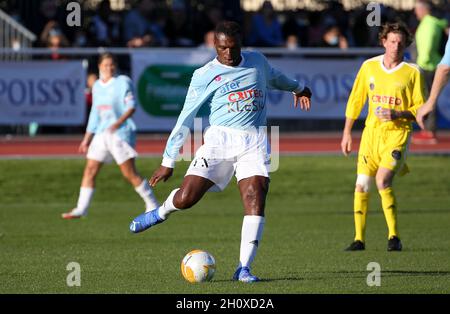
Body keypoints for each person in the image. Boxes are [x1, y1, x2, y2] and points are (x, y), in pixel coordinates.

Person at [129, 21, 312, 282]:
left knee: (255, 194)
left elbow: (275, 77)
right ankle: (161, 212)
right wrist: (168, 160)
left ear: (241, 43)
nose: (228, 53)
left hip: (255, 140)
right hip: (219, 141)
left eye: (233, 47)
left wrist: (298, 88)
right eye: (223, 48)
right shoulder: (204, 75)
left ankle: (243, 268)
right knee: (186, 198)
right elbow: (185, 117)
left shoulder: (256, 60)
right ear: (215, 45)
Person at [341, 22, 426, 252]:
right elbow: (356, 100)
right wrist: (347, 132)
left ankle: (394, 237)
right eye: (392, 41)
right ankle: (359, 240)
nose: (396, 46)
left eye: (400, 42)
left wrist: (398, 113)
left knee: (382, 180)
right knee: (361, 185)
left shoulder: (413, 72)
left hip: (398, 134)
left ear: (406, 44)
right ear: (383, 42)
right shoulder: (369, 66)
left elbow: (422, 109)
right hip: (371, 135)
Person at [62, 53, 159, 219]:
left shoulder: (123, 82)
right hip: (101, 134)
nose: (109, 68)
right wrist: (87, 138)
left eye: (112, 64)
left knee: (129, 173)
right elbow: (95, 113)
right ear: (100, 66)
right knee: (90, 169)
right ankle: (81, 208)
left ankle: (152, 204)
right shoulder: (98, 86)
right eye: (106, 65)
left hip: (119, 133)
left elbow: (131, 106)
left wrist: (118, 122)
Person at [412, 0, 448, 144]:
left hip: (429, 66)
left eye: (417, 9)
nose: (415, 12)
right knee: (428, 99)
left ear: (423, 9)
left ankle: (429, 132)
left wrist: (422, 64)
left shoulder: (429, 23)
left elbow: (428, 47)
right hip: (432, 64)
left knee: (428, 99)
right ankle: (428, 130)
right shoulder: (431, 22)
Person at [416, 37, 450, 129]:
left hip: (428, 66)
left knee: (436, 100)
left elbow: (445, 67)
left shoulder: (429, 24)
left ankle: (429, 130)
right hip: (429, 65)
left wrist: (430, 103)